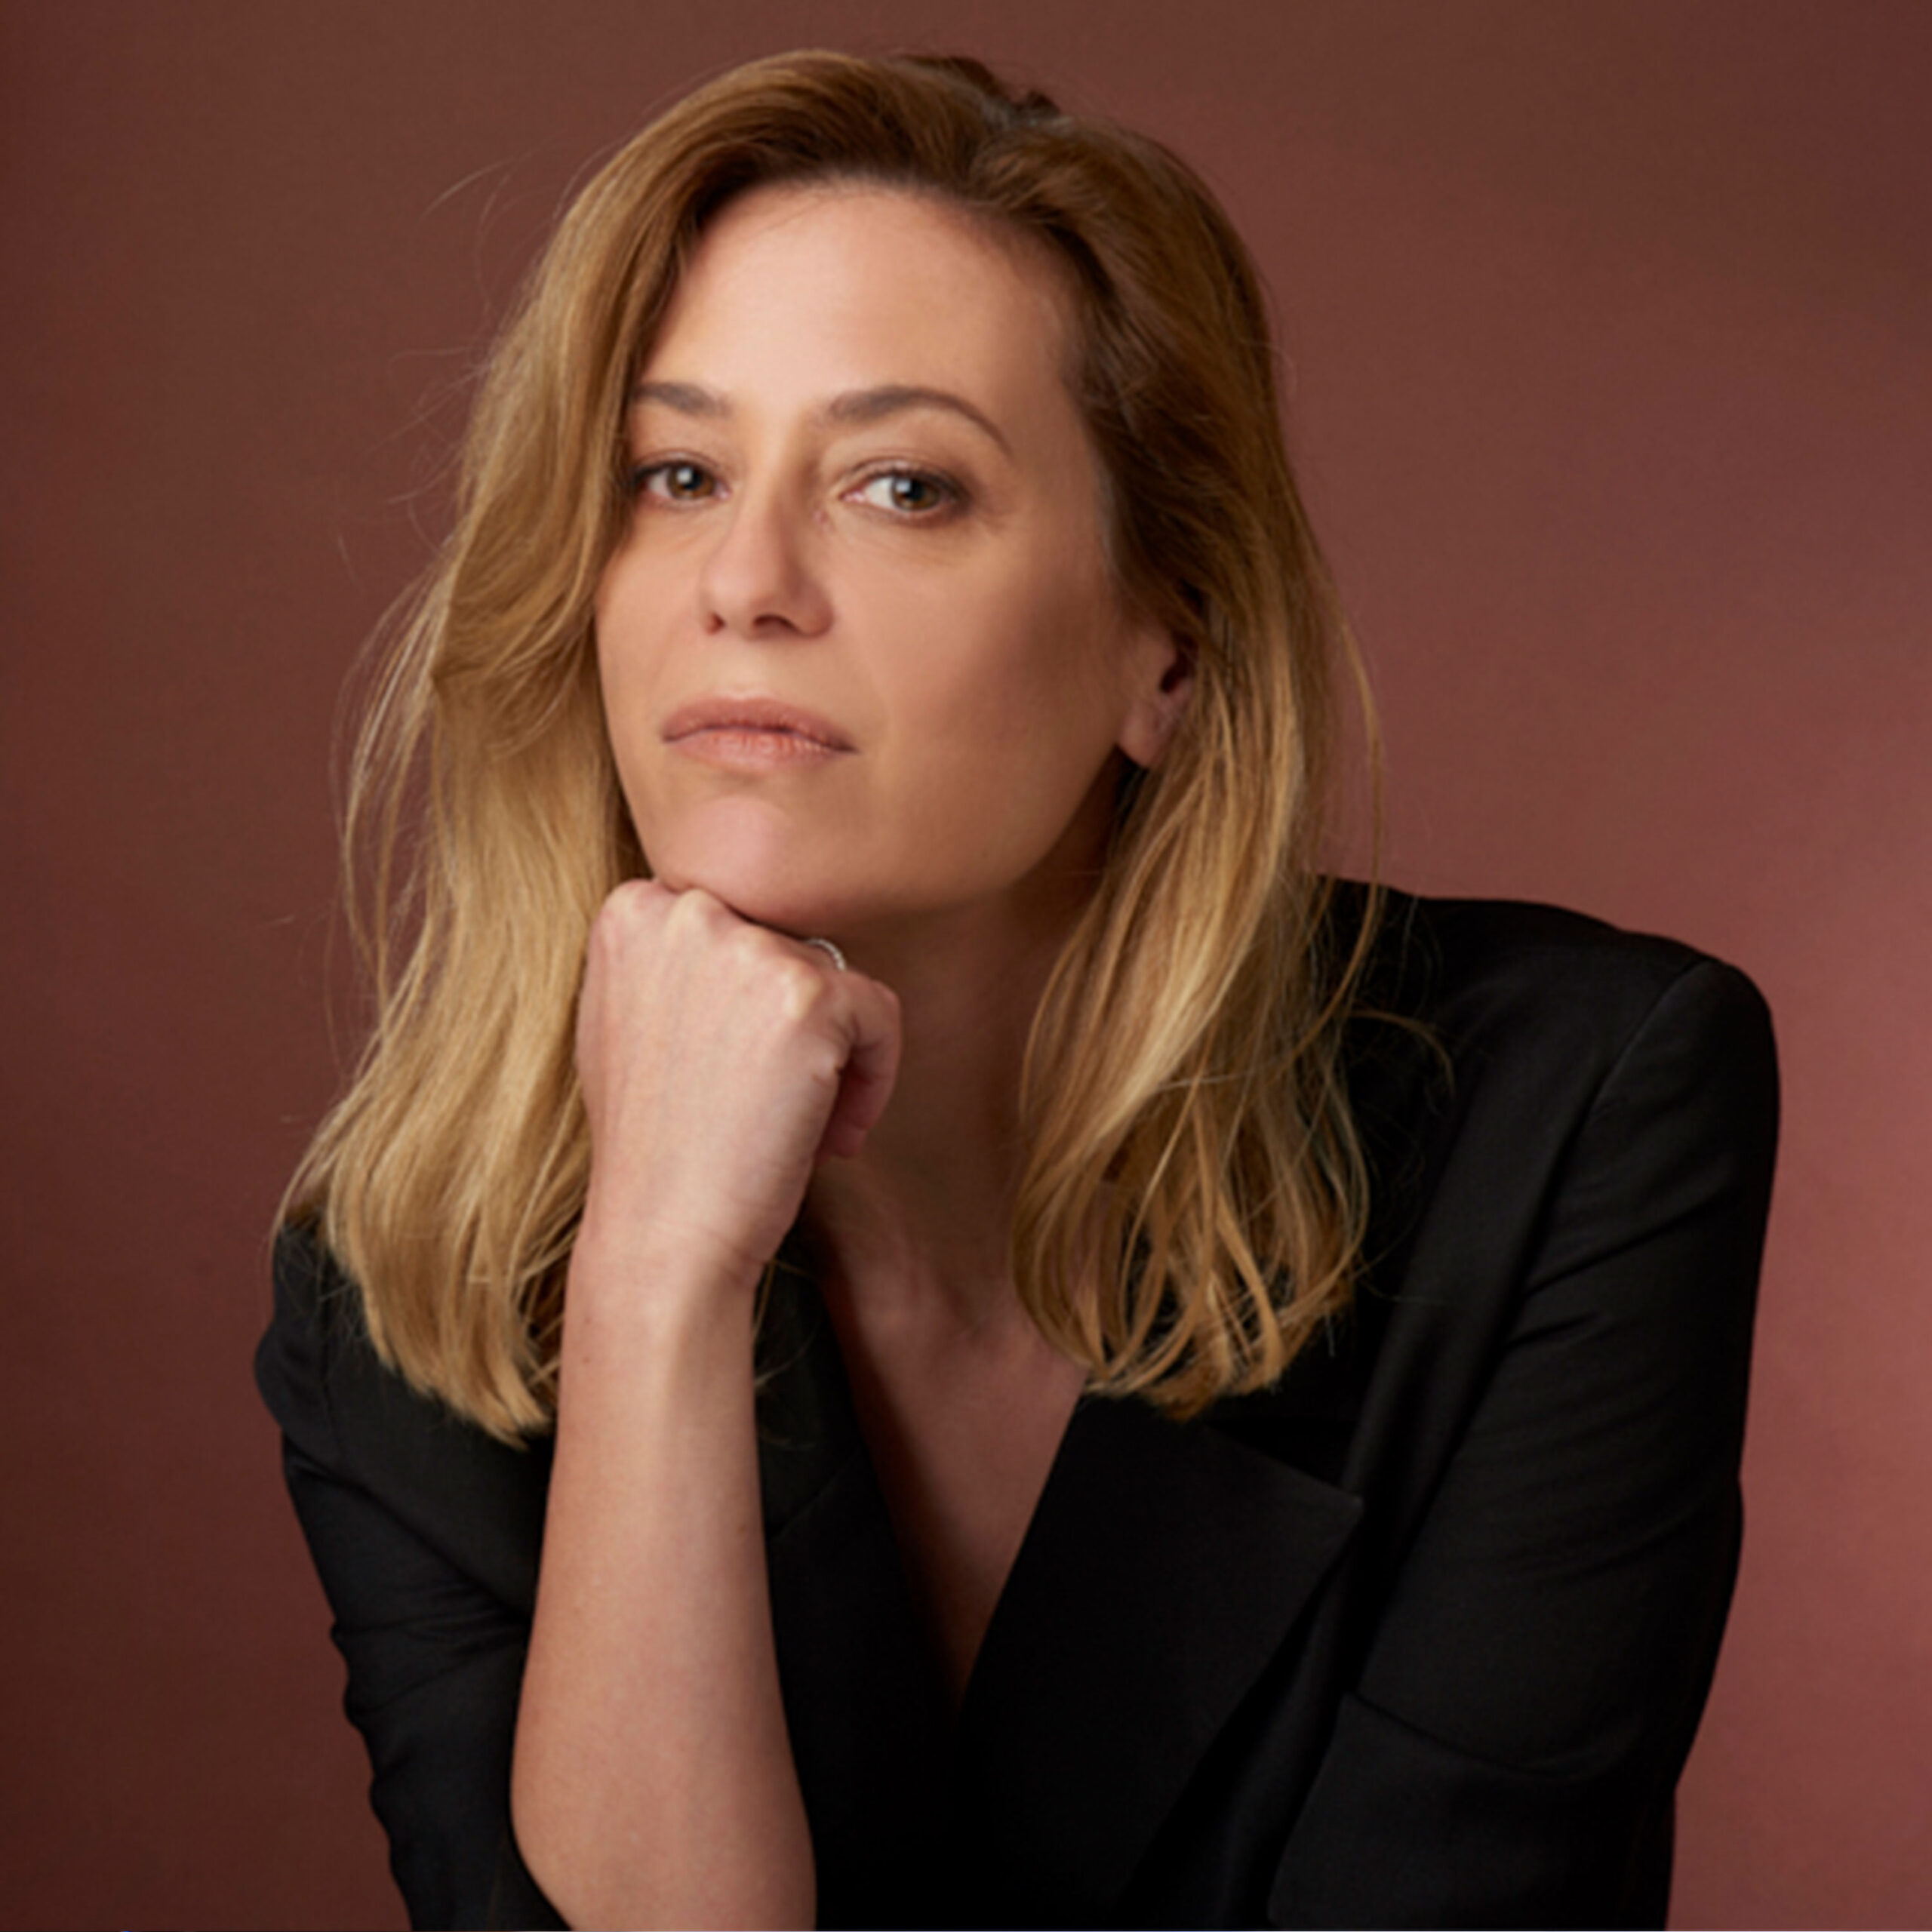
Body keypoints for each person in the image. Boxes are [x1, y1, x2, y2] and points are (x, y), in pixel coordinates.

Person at [256, 48, 1779, 1931]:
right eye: (674, 473)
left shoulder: (1568, 1115)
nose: (744, 579)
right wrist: (656, 1277)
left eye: (903, 485)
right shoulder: (405, 1284)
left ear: (1167, 644)